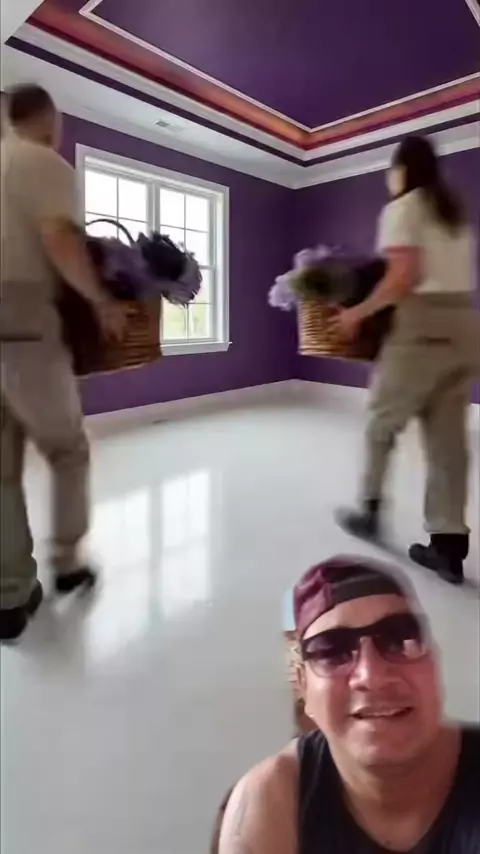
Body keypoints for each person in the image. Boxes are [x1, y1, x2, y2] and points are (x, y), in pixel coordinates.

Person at [218, 555, 480, 853]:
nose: (372, 676)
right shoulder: (272, 801)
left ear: (434, 661)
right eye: (332, 652)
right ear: (303, 688)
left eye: (398, 640)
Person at [0, 84, 128, 641]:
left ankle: (9, 596)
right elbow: (58, 236)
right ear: (48, 120)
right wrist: (100, 300)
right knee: (67, 448)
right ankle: (67, 563)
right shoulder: (40, 161)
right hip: (23, 320)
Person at [334, 136, 478, 584]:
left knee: (382, 420)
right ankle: (448, 547)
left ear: (401, 169)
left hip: (423, 326)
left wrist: (356, 312)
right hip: (466, 326)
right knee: (448, 441)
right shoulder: (454, 216)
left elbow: (402, 278)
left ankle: (369, 511)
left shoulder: (403, 208)